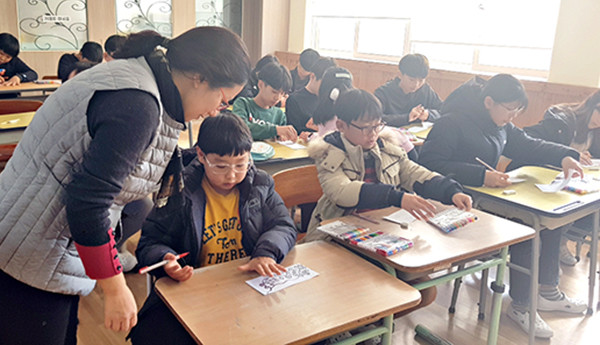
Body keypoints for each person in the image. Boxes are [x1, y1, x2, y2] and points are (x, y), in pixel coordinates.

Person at [0, 27, 250, 345]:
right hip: (29, 252)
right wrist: (115, 287)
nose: (217, 110)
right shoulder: (138, 104)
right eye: (222, 99)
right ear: (199, 77)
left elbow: (140, 170)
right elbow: (88, 203)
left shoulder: (144, 82)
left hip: (40, 240)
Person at [418, 74, 586, 339]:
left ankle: (547, 292)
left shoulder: (501, 125)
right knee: (524, 227)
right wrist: (480, 175)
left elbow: (529, 145)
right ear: (488, 101)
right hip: (453, 202)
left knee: (552, 222)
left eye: (517, 110)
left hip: (487, 199)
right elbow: (429, 165)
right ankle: (521, 306)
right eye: (509, 109)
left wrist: (566, 155)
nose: (513, 116)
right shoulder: (452, 122)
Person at [129, 113, 297, 345]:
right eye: (220, 165)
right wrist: (165, 259)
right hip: (198, 288)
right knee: (153, 335)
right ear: (200, 155)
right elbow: (150, 242)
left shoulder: (259, 184)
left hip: (247, 283)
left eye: (241, 164)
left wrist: (265, 253)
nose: (231, 175)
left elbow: (283, 225)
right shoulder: (180, 191)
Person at [302, 88, 472, 242]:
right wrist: (396, 197)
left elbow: (413, 172)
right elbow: (342, 192)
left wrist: (450, 191)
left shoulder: (387, 148)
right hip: (336, 235)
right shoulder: (328, 153)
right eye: (365, 128)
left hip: (381, 229)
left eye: (377, 126)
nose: (373, 134)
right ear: (341, 126)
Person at [507, 90, 600, 266]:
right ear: (593, 106)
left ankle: (564, 239)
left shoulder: (595, 132)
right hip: (542, 180)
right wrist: (568, 154)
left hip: (571, 181)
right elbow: (530, 143)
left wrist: (585, 158)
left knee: (594, 207)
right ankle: (555, 247)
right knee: (561, 213)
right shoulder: (562, 119)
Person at [233, 61, 297, 141]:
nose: (278, 97)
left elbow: (281, 139)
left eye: (282, 93)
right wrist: (275, 130)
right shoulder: (242, 104)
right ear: (260, 85)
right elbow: (240, 129)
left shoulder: (279, 115)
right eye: (274, 92)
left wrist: (283, 137)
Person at [374, 53, 442, 127]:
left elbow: (444, 111)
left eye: (421, 80)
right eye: (411, 80)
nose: (416, 85)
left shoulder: (425, 90)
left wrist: (428, 114)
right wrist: (407, 117)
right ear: (400, 74)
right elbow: (375, 118)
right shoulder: (383, 92)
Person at [287, 57, 336, 135]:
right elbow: (294, 131)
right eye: (324, 84)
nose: (326, 88)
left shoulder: (330, 99)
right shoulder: (294, 100)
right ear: (312, 76)